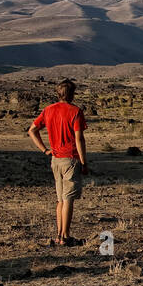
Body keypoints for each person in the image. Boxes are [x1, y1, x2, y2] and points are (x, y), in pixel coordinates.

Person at [28, 78, 90, 246]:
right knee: (68, 199)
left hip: (55, 159)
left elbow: (32, 130)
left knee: (60, 199)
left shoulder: (48, 110)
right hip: (71, 159)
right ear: (71, 94)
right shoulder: (75, 111)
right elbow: (79, 139)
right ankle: (65, 236)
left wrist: (45, 150)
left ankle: (59, 235)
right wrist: (84, 162)